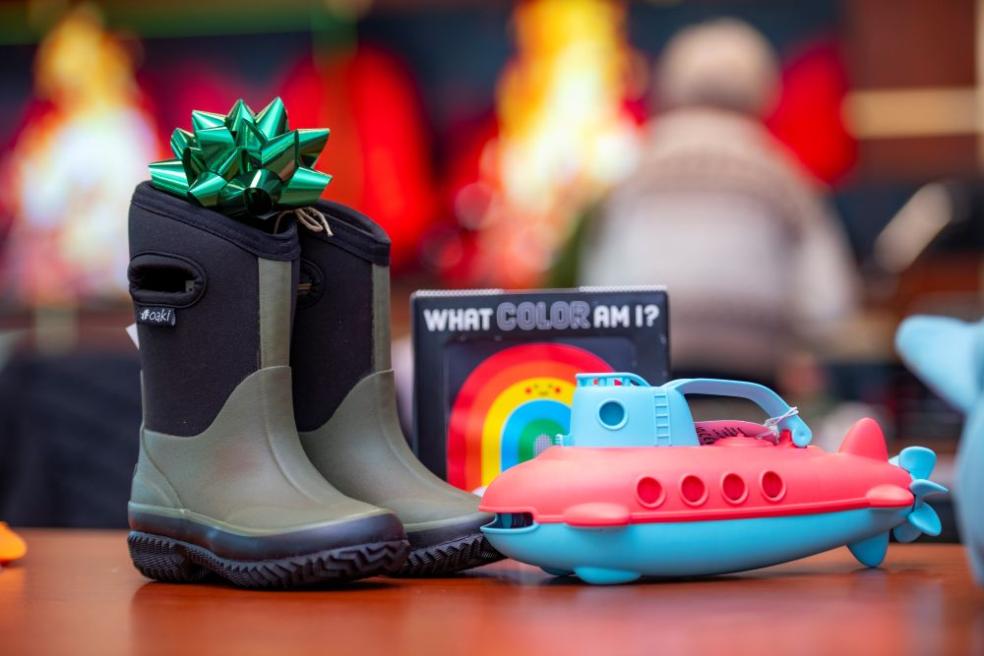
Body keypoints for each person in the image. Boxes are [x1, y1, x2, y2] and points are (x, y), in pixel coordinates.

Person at [579, 18, 858, 384]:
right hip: (754, 377)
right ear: (763, 87)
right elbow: (830, 305)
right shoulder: (782, 172)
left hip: (649, 369)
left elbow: (600, 287)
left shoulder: (634, 171)